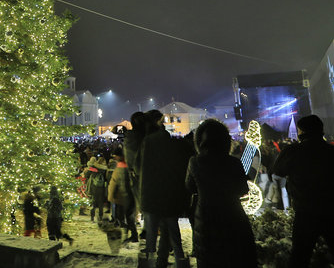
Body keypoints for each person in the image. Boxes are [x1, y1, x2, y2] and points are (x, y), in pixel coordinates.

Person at [185, 119, 257, 268]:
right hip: (233, 214)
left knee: (208, 257)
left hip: (205, 217)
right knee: (233, 256)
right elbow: (243, 189)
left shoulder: (195, 161)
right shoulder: (233, 162)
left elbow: (190, 187)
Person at [273, 114, 334, 268]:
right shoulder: (330, 151)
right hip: (331, 209)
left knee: (300, 256)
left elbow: (278, 170)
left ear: (301, 132)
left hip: (305, 212)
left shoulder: (293, 151)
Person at [139, 109, 191, 268]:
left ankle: (149, 264)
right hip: (170, 197)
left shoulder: (147, 142)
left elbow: (139, 167)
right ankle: (180, 263)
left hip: (151, 196)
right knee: (174, 236)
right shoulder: (173, 144)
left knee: (151, 238)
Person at [108, 147, 138, 243]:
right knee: (128, 217)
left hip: (124, 197)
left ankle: (131, 235)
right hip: (129, 196)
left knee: (125, 217)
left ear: (119, 156)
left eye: (115, 156)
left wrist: (111, 196)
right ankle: (131, 235)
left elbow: (116, 183)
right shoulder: (128, 165)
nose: (114, 158)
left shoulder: (121, 167)